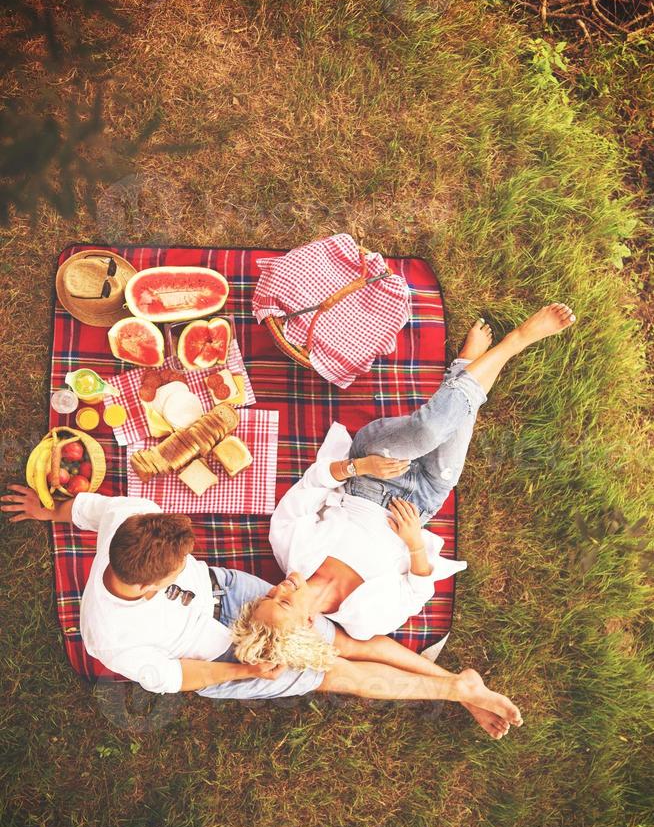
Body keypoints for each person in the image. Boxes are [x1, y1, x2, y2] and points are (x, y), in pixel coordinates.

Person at [233, 303, 577, 719]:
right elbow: (418, 590)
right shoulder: (363, 620)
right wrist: (415, 545)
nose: (280, 586)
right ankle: (464, 368)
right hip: (425, 500)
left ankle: (513, 342)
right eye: (285, 601)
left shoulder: (288, 544)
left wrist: (360, 466)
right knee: (454, 432)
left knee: (429, 430)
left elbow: (315, 483)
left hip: (369, 473)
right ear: (307, 625)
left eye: (271, 593)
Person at [2, 487, 522, 741]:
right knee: (335, 675)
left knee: (339, 640)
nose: (186, 564)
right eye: (178, 566)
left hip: (228, 592)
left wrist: (49, 511)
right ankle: (459, 691)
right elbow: (178, 676)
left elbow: (89, 509)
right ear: (151, 583)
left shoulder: (128, 521)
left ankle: (459, 682)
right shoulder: (109, 638)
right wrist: (247, 671)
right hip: (224, 656)